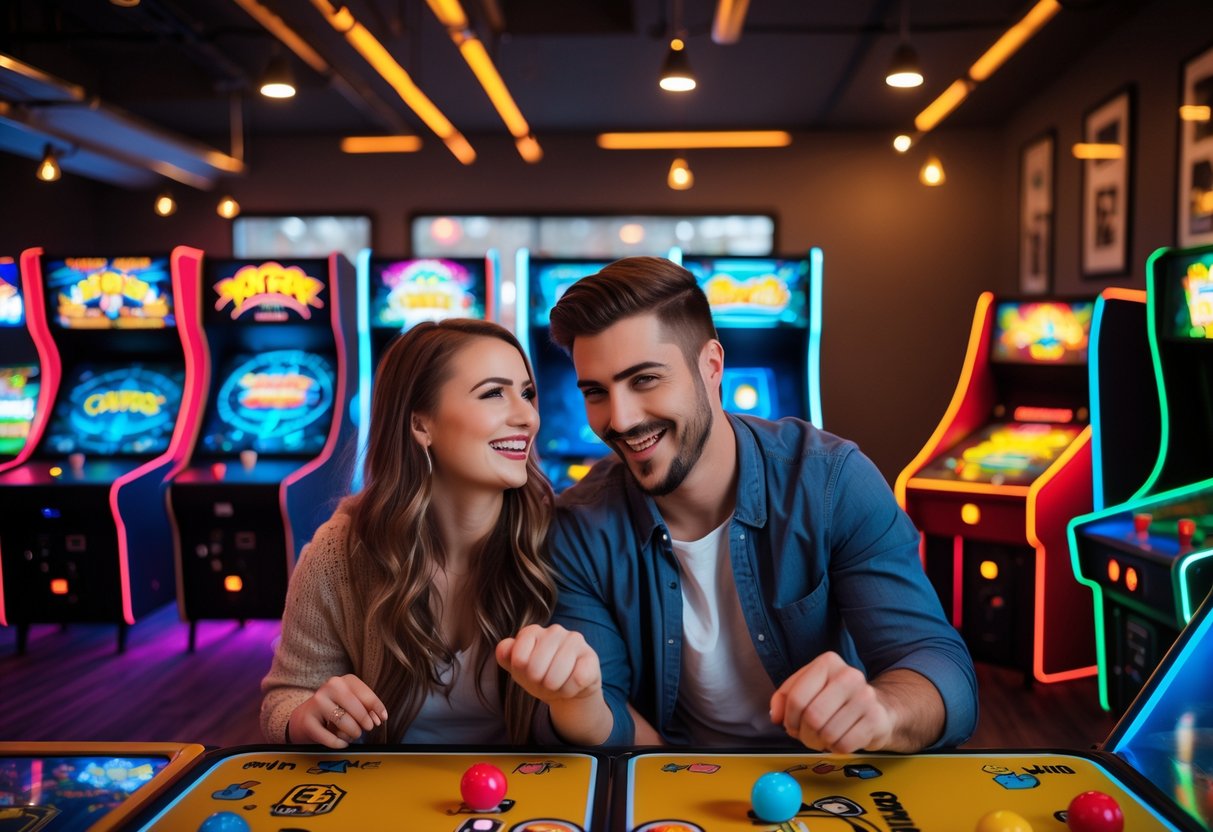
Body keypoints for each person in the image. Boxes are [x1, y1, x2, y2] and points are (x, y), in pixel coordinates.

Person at [539, 256, 978, 752]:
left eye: (644, 380)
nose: (619, 419)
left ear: (711, 366)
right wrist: (572, 702)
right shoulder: (577, 526)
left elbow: (940, 668)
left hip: (828, 774)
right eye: (597, 392)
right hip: (679, 781)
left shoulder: (832, 481)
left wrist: (883, 712)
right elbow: (608, 712)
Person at [261, 319, 603, 748]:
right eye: (495, 393)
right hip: (386, 793)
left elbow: (598, 721)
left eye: (527, 393)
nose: (528, 416)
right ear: (421, 425)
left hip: (525, 791)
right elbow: (286, 696)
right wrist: (304, 716)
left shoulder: (561, 540)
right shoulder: (341, 549)